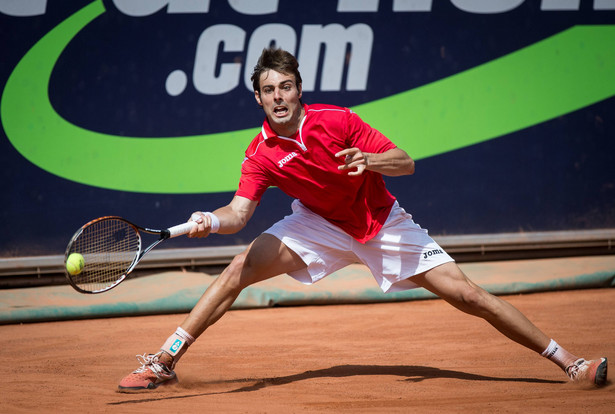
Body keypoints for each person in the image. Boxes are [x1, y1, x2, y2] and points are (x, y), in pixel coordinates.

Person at [118, 47, 607, 391]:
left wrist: (370, 161)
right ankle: (164, 361)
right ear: (259, 99)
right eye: (269, 90)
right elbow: (239, 213)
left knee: (469, 295)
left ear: (298, 88)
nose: (279, 96)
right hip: (316, 225)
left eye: (286, 86)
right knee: (236, 271)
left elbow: (405, 160)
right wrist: (211, 219)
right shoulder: (260, 153)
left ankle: (571, 363)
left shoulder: (337, 119)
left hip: (382, 222)